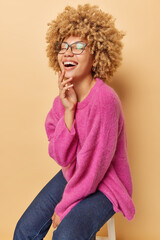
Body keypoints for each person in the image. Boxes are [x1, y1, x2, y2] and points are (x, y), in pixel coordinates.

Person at [13, 4, 135, 240]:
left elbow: (95, 166)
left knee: (65, 236)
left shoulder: (105, 99)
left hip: (106, 185)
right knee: (24, 230)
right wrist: (68, 110)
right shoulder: (61, 101)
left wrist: (64, 208)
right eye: (63, 46)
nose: (68, 52)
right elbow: (62, 157)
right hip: (74, 176)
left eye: (78, 47)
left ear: (96, 55)